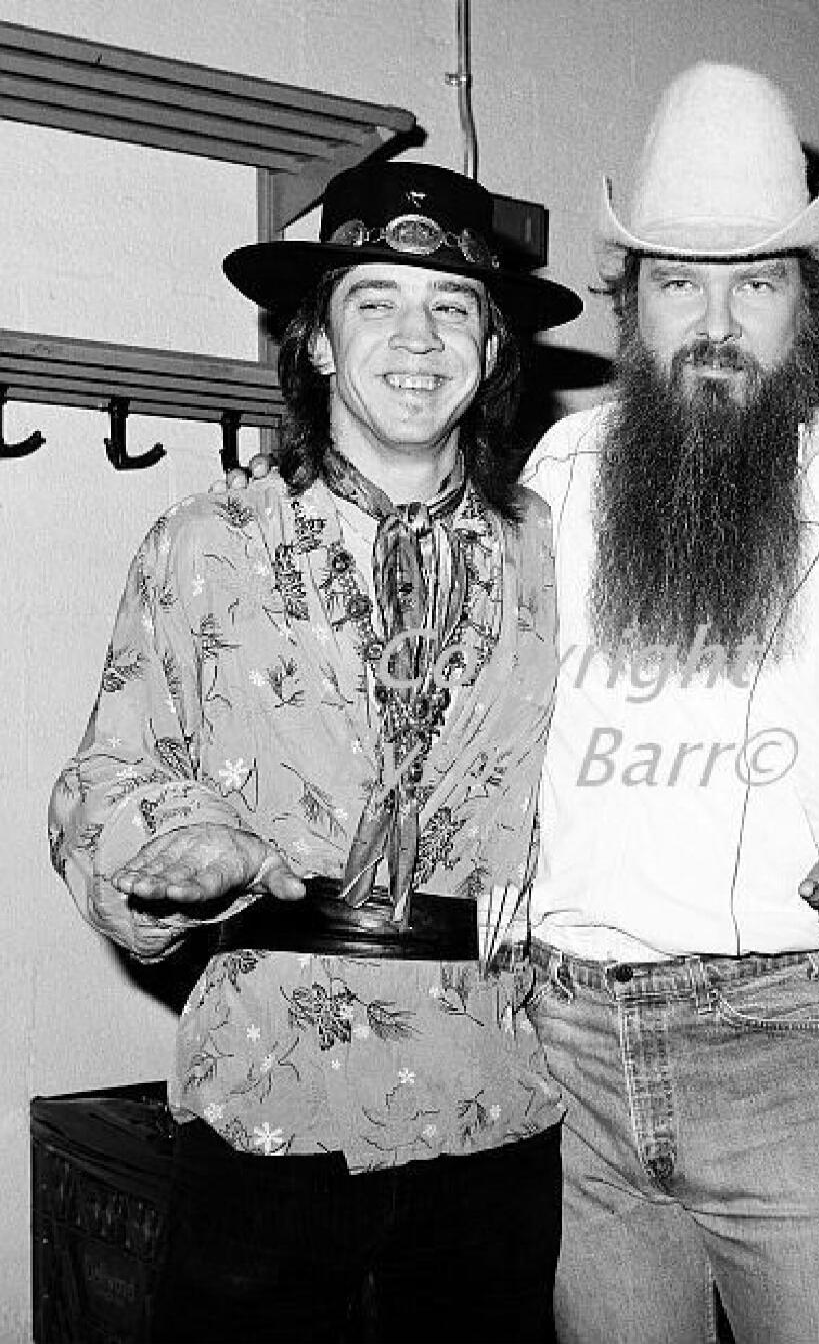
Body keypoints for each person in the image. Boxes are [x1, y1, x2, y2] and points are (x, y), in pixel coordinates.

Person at [47, 159, 583, 1344]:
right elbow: (101, 775)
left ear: (492, 351)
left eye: (453, 307)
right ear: (321, 343)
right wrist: (166, 846)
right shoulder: (204, 539)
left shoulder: (557, 552)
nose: (417, 336)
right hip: (269, 1083)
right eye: (375, 300)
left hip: (497, 1086)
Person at [519, 63, 819, 1344]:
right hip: (569, 1049)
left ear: (811, 308)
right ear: (631, 302)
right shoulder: (562, 471)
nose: (715, 321)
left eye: (757, 280)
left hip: (773, 1045)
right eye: (679, 280)